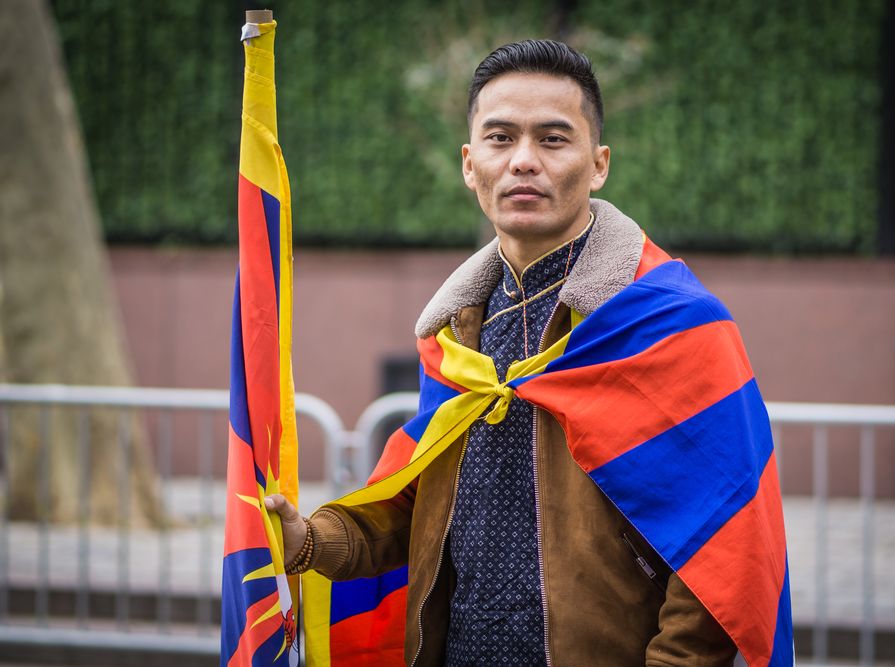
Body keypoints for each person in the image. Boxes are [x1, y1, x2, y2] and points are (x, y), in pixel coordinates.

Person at [266, 40, 745, 666]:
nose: (523, 161)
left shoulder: (673, 325)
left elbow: (722, 544)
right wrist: (311, 540)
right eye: (499, 139)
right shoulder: (451, 338)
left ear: (599, 163)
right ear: (470, 164)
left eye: (553, 139)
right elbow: (418, 513)